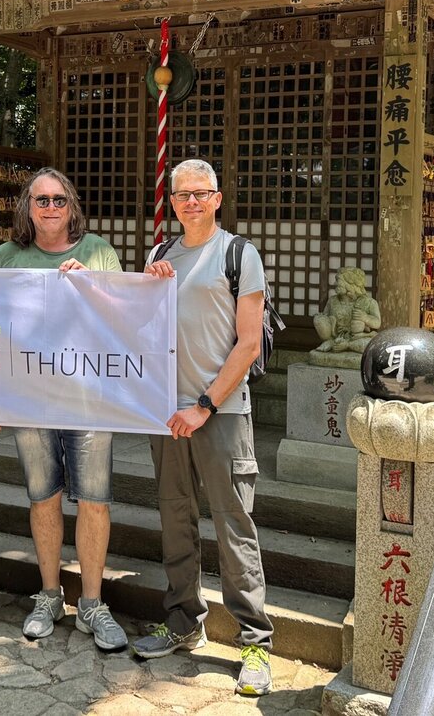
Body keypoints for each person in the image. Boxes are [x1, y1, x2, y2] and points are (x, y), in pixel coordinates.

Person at [136, 158, 274, 696]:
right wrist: (147, 289)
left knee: (234, 523)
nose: (192, 201)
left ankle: (255, 641)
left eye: (202, 192)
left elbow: (248, 342)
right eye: (182, 194)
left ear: (218, 198)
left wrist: (205, 405)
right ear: (171, 203)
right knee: (175, 516)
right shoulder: (159, 255)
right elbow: (142, 331)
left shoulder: (239, 254)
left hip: (220, 411)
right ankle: (182, 619)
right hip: (166, 412)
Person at [0, 167, 128, 652]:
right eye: (40, 200)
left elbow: (127, 318)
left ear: (73, 206)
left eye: (58, 200)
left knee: (95, 498)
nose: (49, 208)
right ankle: (48, 595)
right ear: (27, 206)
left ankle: (91, 601)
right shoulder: (6, 257)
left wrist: (96, 285)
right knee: (42, 496)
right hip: (28, 398)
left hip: (89, 397)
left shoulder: (98, 251)